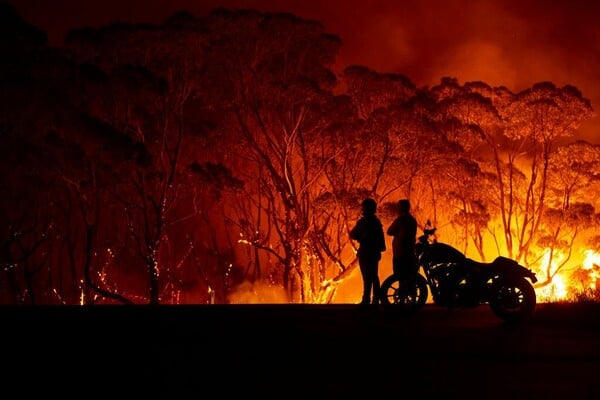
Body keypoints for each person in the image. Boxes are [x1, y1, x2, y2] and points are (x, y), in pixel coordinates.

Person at [350, 198, 387, 306]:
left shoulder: (363, 222)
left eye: (364, 207)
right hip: (374, 253)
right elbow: (381, 239)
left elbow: (353, 234)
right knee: (374, 276)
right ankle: (375, 299)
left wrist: (361, 236)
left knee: (367, 277)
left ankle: (366, 300)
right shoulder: (376, 222)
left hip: (366, 252)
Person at [387, 199, 418, 280]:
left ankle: (403, 291)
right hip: (410, 252)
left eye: (398, 207)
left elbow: (389, 231)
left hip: (400, 253)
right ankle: (411, 291)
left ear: (401, 208)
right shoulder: (412, 220)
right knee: (410, 276)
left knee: (400, 276)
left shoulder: (400, 219)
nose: (397, 209)